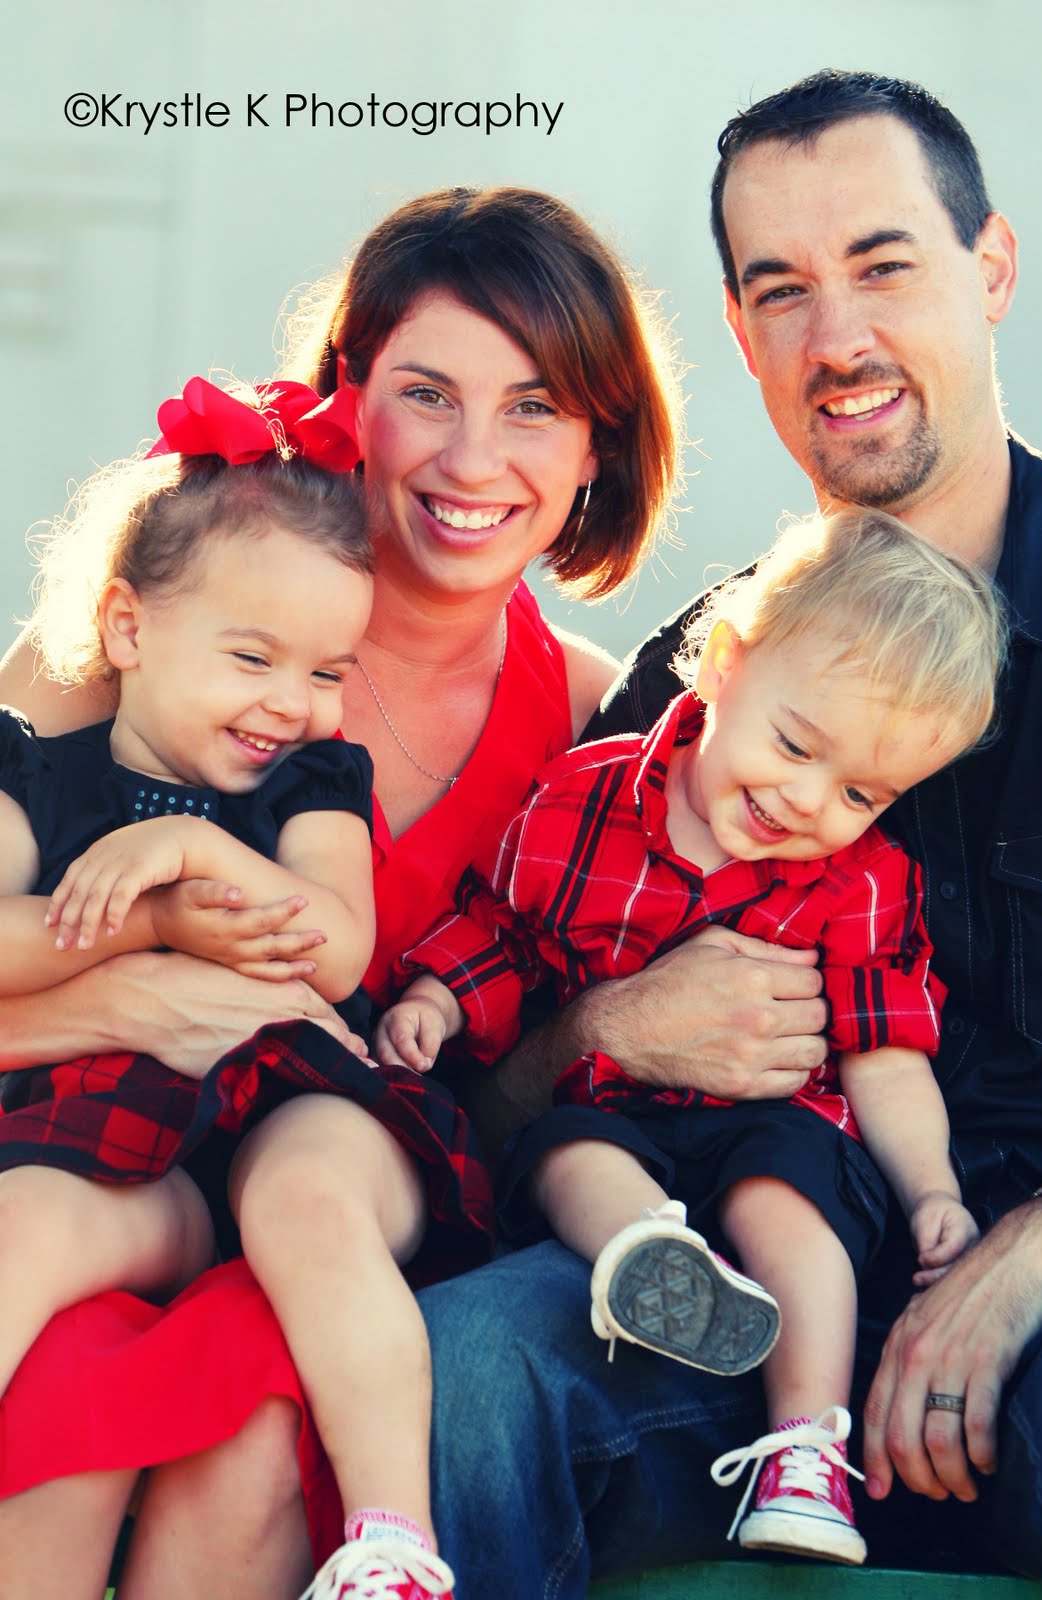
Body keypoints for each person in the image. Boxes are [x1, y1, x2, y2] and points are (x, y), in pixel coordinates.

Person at [0, 186, 682, 1600]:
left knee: (258, 1411)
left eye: (535, 406)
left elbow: (520, 1083)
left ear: (595, 451)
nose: (471, 456)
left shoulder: (591, 719)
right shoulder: (172, 610)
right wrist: (132, 984)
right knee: (64, 1368)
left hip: (331, 1206)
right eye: (425, 393)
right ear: (349, 400)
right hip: (74, 1154)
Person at [378, 509, 1003, 1567]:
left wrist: (932, 1192)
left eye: (859, 792)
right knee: (569, 1150)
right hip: (616, 1120)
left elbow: (885, 1054)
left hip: (776, 1129)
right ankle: (651, 1263)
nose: (804, 800)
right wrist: (437, 1001)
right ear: (722, 664)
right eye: (795, 745)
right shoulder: (579, 802)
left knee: (787, 1195)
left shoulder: (861, 881)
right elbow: (501, 933)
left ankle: (803, 1450)